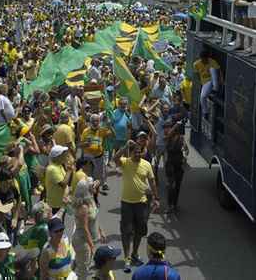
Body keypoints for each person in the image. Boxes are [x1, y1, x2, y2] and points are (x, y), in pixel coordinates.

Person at [115, 140, 159, 273]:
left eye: (140, 152)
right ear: (131, 152)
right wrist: (125, 147)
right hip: (127, 203)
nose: (138, 154)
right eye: (136, 152)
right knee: (126, 231)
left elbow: (152, 181)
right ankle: (127, 257)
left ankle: (134, 254)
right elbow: (115, 158)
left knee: (140, 230)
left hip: (142, 203)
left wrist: (156, 198)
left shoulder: (146, 165)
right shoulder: (125, 162)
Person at [72, 178, 105, 280]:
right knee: (83, 270)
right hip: (83, 241)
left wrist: (101, 230)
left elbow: (95, 217)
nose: (94, 187)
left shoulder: (90, 200)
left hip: (89, 240)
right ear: (86, 190)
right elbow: (85, 227)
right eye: (91, 186)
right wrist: (91, 245)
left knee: (83, 265)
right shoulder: (83, 207)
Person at [163, 118, 187, 214]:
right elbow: (168, 135)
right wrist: (176, 124)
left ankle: (174, 204)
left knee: (177, 185)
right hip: (170, 164)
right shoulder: (166, 137)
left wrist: (185, 152)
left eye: (168, 127)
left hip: (179, 164)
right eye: (165, 128)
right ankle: (169, 205)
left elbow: (186, 149)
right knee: (171, 185)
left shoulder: (180, 137)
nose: (166, 129)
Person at [192, 50, 220, 118]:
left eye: (205, 58)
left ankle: (215, 89)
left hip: (213, 80)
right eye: (202, 58)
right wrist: (200, 82)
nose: (204, 60)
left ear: (207, 58)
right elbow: (197, 75)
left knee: (212, 69)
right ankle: (205, 112)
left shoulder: (212, 61)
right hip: (205, 82)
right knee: (202, 97)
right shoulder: (196, 64)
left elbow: (219, 72)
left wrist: (222, 80)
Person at [44, 145, 71, 215]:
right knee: (56, 224)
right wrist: (69, 171)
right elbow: (63, 184)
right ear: (58, 157)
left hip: (61, 203)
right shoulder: (52, 169)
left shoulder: (59, 166)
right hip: (55, 205)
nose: (66, 156)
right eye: (64, 155)